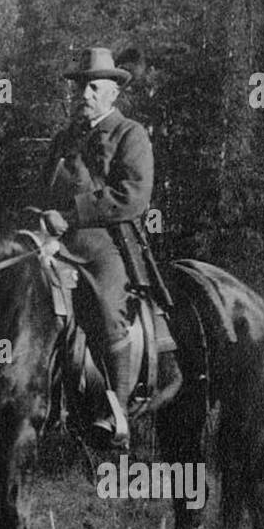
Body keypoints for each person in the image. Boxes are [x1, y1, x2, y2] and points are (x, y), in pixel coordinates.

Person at [39, 47, 154, 452]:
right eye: (79, 87)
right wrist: (41, 219)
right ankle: (42, 408)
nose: (83, 94)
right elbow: (43, 189)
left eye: (93, 87)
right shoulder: (63, 140)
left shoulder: (130, 134)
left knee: (108, 308)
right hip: (54, 241)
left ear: (113, 93)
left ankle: (117, 412)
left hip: (108, 242)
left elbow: (132, 195)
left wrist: (71, 216)